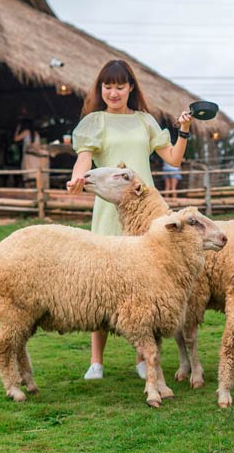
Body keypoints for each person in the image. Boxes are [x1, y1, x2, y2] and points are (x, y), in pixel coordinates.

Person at [66, 59, 194, 380]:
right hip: (110, 209)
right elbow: (84, 160)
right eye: (107, 86)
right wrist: (77, 178)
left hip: (145, 211)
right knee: (102, 285)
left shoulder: (144, 121)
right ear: (100, 89)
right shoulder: (94, 122)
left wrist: (184, 131)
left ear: (131, 88)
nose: (113, 92)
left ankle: (143, 357)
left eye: (120, 86)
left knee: (145, 284)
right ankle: (96, 362)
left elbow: (174, 158)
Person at [13, 117, 46, 187]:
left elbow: (16, 139)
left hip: (28, 156)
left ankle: (29, 189)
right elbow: (39, 145)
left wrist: (17, 129)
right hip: (36, 157)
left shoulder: (26, 132)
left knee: (27, 173)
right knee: (35, 173)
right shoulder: (36, 133)